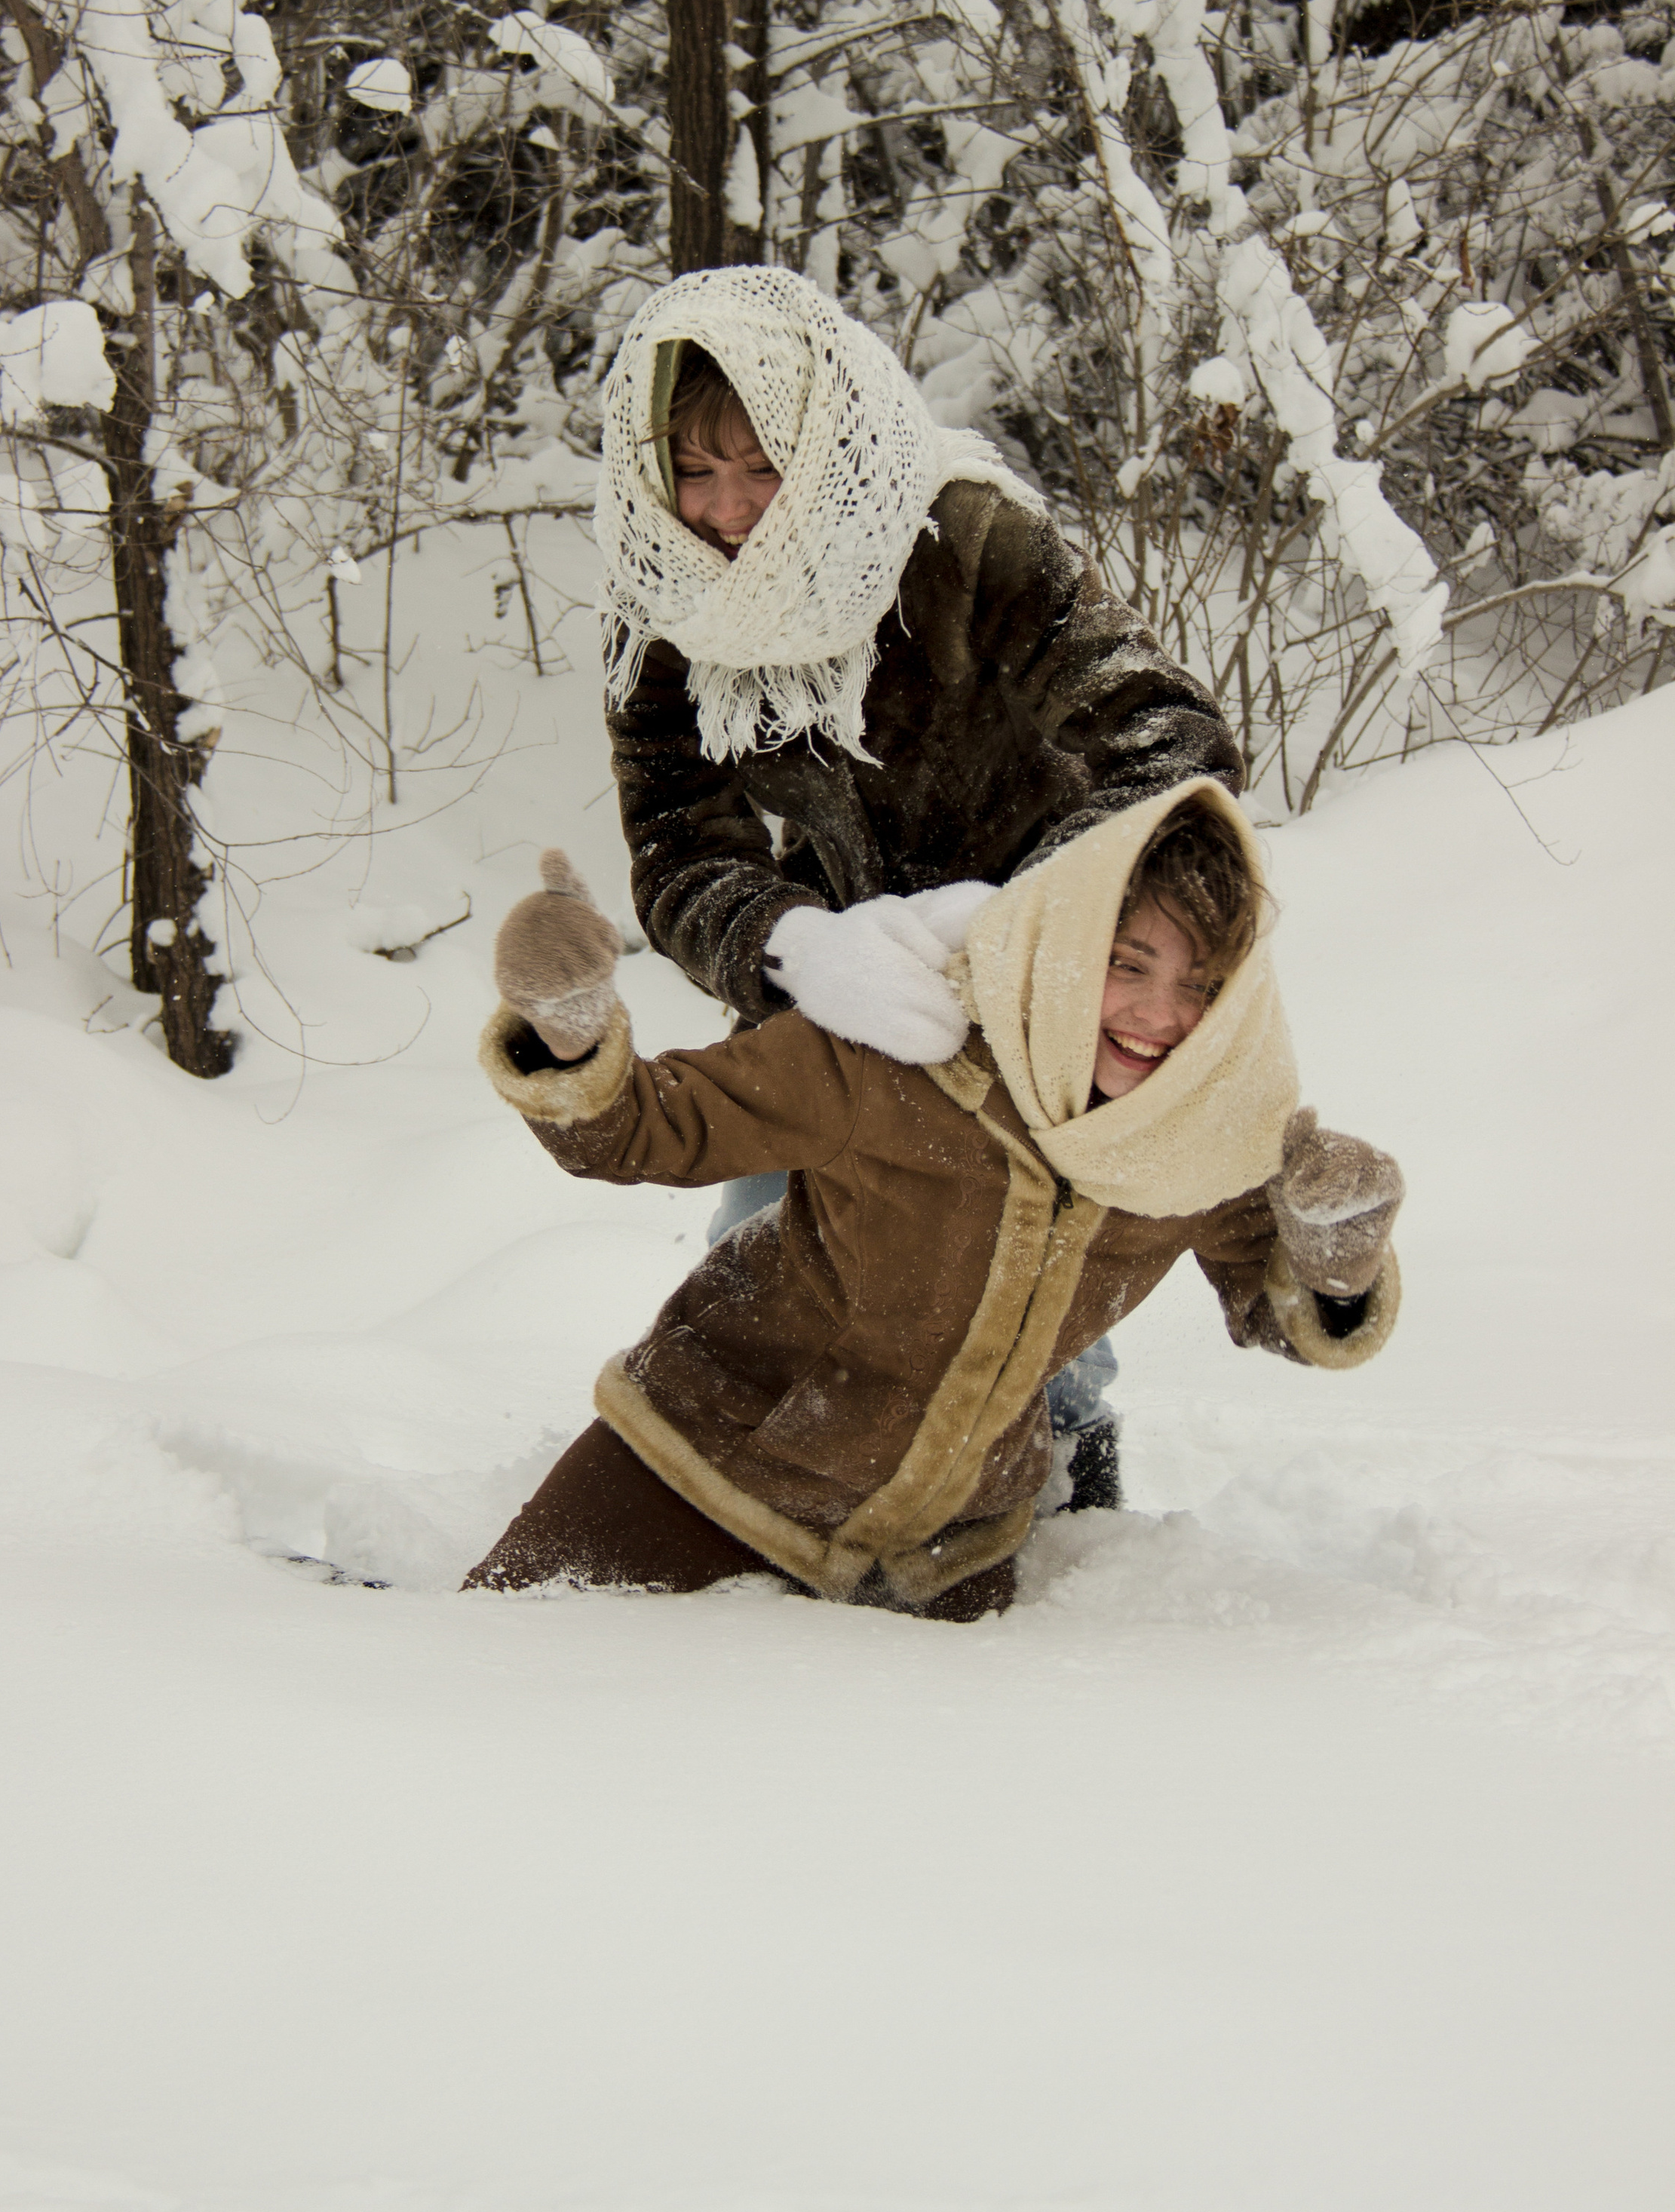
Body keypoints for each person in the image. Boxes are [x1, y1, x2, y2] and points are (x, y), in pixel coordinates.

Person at [594, 266, 1246, 1513]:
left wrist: (1025, 931)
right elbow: (679, 841)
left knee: (1017, 1274)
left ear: (825, 437)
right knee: (770, 1247)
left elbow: (1176, 742)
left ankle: (1058, 1490)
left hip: (1057, 970)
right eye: (692, 468)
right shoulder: (661, 597)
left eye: (761, 464)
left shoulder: (959, 533)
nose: (724, 508)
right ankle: (758, 1515)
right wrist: (790, 947)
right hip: (848, 964)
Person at [461, 784, 1403, 1618]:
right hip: (703, 1473)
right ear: (1070, 941)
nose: (1161, 1016)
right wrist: (568, 1031)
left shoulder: (1201, 1133)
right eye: (1128, 963)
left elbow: (1284, 1314)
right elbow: (646, 1129)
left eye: (1201, 984)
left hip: (946, 1555)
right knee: (497, 1683)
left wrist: (1338, 1259)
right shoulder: (903, 1048)